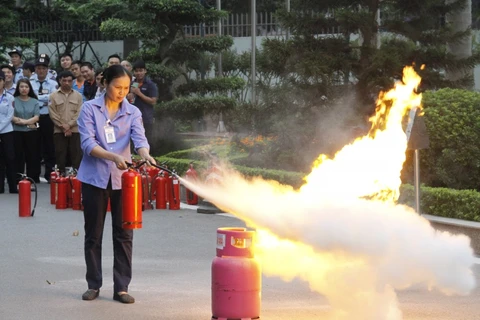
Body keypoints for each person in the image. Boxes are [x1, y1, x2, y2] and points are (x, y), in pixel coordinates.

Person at [77, 65, 155, 304]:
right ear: (104, 83)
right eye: (117, 87)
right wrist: (114, 157)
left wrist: (144, 153)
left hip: (124, 181)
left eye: (126, 88)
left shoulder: (132, 112)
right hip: (94, 178)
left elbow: (140, 138)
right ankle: (94, 284)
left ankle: (121, 287)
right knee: (94, 234)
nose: (122, 92)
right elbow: (88, 144)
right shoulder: (89, 109)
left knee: (124, 234)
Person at [49, 71, 83, 174]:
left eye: (69, 81)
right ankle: (61, 178)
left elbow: (79, 113)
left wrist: (69, 125)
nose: (67, 83)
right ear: (60, 81)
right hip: (59, 130)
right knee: (60, 155)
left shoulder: (78, 96)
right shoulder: (53, 96)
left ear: (73, 81)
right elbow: (52, 113)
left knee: (76, 155)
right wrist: (63, 126)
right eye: (64, 80)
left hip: (75, 130)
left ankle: (77, 178)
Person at [31, 56, 57, 182]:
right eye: (38, 68)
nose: (41, 71)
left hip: (48, 118)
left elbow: (52, 99)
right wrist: (43, 100)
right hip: (34, 118)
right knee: (34, 145)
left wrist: (40, 100)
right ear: (35, 69)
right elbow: (32, 98)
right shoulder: (29, 82)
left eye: (43, 68)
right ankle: (34, 175)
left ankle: (50, 174)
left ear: (47, 69)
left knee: (49, 145)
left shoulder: (53, 83)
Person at [12, 79, 41, 183]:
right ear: (18, 88)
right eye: (21, 87)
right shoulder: (13, 100)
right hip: (16, 131)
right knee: (18, 156)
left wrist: (24, 122)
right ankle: (18, 179)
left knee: (32, 155)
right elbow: (11, 116)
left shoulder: (34, 101)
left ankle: (32, 179)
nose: (24, 89)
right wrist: (24, 122)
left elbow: (36, 116)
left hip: (31, 132)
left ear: (30, 88)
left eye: (26, 87)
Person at [130, 60, 158, 146]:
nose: (138, 73)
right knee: (132, 143)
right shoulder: (132, 84)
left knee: (146, 143)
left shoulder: (151, 84)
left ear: (145, 71)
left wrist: (139, 94)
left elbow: (153, 101)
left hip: (146, 119)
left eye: (141, 70)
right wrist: (129, 96)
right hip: (132, 118)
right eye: (136, 71)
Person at [0, 70, 16, 193]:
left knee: (10, 158)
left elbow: (10, 115)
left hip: (7, 131)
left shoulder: (9, 97)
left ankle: (12, 186)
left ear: (3, 82)